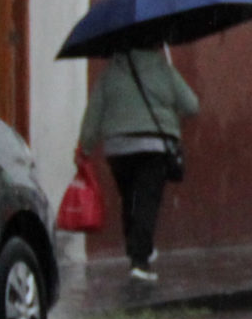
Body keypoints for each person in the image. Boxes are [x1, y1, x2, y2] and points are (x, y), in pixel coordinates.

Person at [77, 40, 201, 282]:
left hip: (118, 149)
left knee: (130, 200)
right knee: (146, 201)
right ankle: (140, 261)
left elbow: (93, 115)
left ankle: (137, 250)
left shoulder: (110, 73)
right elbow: (192, 105)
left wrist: (85, 147)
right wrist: (171, 116)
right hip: (154, 146)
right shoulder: (164, 69)